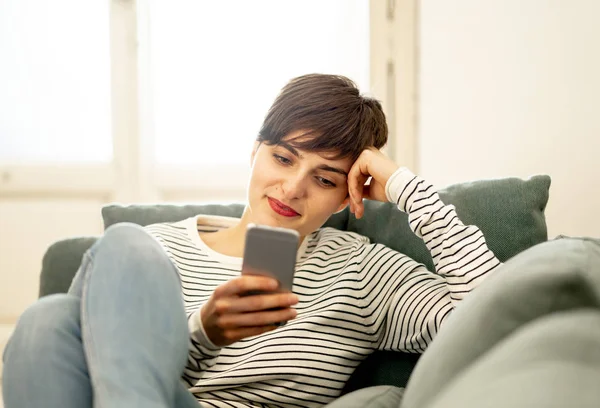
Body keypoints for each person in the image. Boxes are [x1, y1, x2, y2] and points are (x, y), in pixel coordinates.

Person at [2, 74, 502, 408]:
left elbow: (497, 320)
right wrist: (203, 332)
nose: (292, 188)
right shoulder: (153, 253)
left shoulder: (361, 273)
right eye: (283, 159)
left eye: (326, 179)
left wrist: (407, 189)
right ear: (255, 151)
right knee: (52, 314)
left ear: (350, 193)